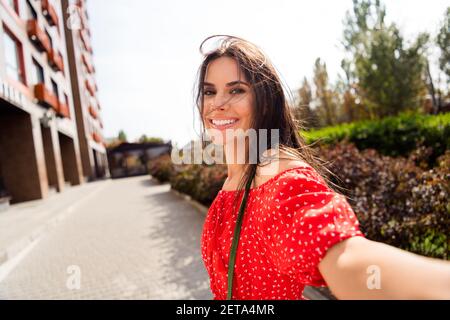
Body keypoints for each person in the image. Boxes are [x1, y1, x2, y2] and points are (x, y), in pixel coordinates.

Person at [197, 35, 450, 300]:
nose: (218, 103)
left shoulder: (275, 172)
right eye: (209, 91)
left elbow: (348, 259)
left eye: (236, 90)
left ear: (264, 100)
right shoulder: (234, 177)